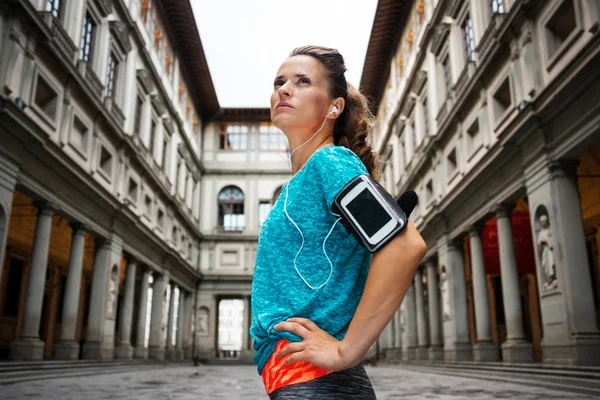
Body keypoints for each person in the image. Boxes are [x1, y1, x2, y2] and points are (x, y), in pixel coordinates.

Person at [250, 46, 427, 399]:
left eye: (302, 81)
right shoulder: (300, 183)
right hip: (300, 381)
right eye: (279, 81)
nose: (284, 89)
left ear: (334, 107)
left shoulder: (329, 161)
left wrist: (346, 350)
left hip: (316, 382)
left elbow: (406, 246)